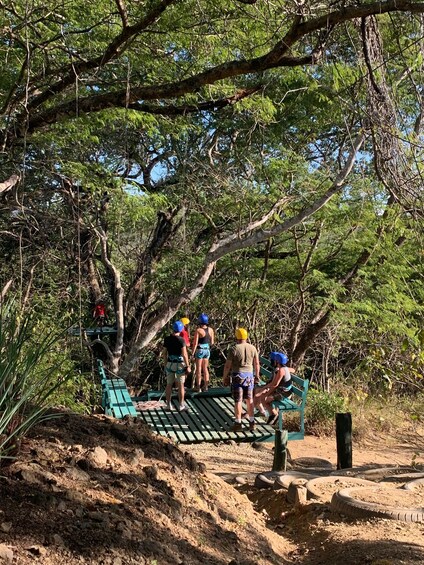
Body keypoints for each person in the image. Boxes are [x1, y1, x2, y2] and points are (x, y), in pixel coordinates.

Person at [222, 327, 260, 432]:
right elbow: (256, 363)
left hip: (237, 377)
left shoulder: (233, 349)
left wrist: (224, 377)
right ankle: (252, 422)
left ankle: (238, 423)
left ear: (237, 337)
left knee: (238, 400)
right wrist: (257, 375)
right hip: (249, 377)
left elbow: (227, 366)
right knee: (249, 399)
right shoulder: (253, 348)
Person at [163, 321, 192, 412]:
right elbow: (184, 354)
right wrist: (187, 366)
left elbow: (164, 353)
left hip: (170, 363)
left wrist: (165, 364)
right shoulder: (181, 340)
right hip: (179, 364)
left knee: (169, 384)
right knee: (181, 385)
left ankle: (168, 405)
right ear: (181, 329)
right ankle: (181, 405)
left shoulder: (167, 339)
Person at [260, 352, 294, 425]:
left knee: (264, 399)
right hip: (283, 391)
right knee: (263, 396)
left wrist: (267, 393)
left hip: (284, 394)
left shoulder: (281, 370)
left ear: (277, 361)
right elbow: (293, 370)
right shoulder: (285, 368)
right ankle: (273, 415)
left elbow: (275, 384)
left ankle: (274, 415)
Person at [192, 313, 214, 392]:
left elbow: (195, 343)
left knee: (198, 369)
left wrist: (192, 354)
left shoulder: (198, 330)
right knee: (205, 369)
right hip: (207, 350)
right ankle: (206, 387)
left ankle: (198, 387)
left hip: (200, 349)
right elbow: (212, 342)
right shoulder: (211, 330)